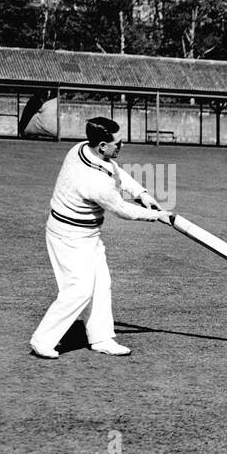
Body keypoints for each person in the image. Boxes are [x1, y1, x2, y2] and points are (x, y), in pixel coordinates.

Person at [29, 117, 169, 359]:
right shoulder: (95, 182)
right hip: (67, 236)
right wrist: (155, 216)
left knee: (102, 284)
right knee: (79, 290)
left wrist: (142, 193)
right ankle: (42, 340)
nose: (122, 146)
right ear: (103, 145)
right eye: (118, 143)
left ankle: (101, 338)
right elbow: (122, 210)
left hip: (88, 234)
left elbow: (117, 172)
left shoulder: (83, 148)